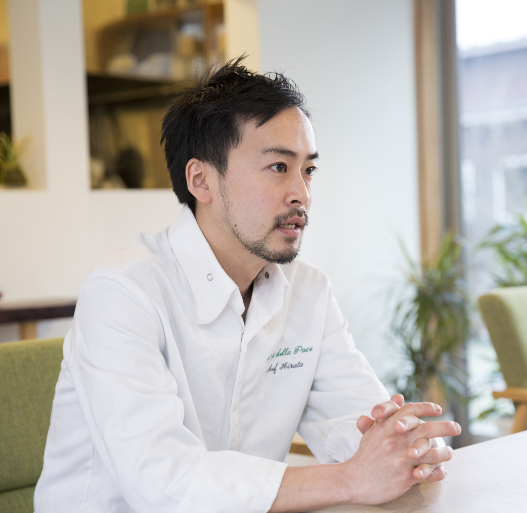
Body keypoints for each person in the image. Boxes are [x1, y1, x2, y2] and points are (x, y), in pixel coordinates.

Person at [34, 57, 460, 513]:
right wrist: (350, 478)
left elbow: (355, 420)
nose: (302, 194)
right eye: (278, 167)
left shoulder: (308, 291)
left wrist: (404, 444)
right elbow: (165, 485)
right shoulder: (122, 294)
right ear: (201, 180)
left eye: (308, 170)